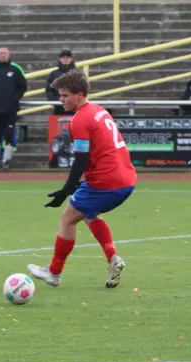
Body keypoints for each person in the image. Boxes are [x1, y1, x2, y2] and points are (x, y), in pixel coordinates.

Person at [27, 70, 137, 288]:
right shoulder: (99, 111)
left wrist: (66, 189)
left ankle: (54, 273)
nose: (60, 100)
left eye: (64, 95)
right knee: (87, 213)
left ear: (79, 94)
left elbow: (80, 159)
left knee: (68, 217)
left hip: (106, 182)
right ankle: (113, 258)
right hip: (126, 179)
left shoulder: (79, 120)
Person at [0, 47, 28, 169]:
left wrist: (15, 98)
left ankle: (6, 160)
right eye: (1, 53)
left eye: (5, 53)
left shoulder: (16, 69)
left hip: (11, 108)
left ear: (9, 55)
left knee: (9, 133)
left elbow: (23, 86)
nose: (3, 55)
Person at [45, 50, 77, 115]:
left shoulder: (77, 73)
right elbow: (49, 90)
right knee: (57, 125)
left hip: (74, 108)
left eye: (67, 58)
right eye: (63, 58)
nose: (65, 59)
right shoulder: (53, 74)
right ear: (60, 59)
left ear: (71, 59)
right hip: (58, 108)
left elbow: (82, 89)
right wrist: (57, 102)